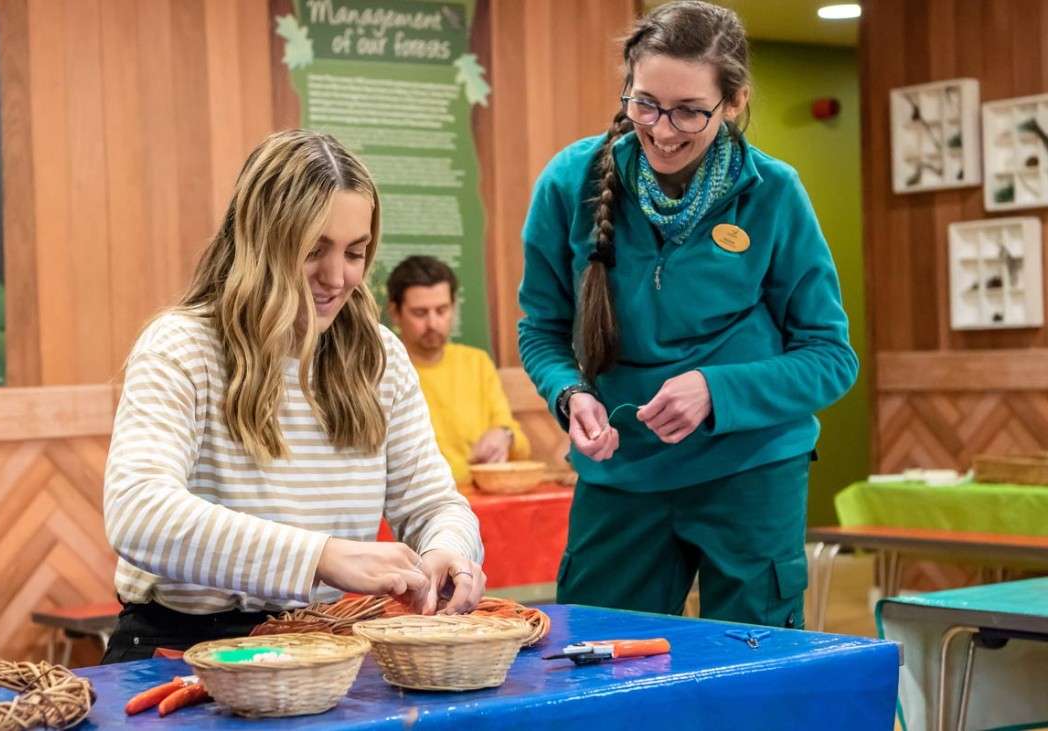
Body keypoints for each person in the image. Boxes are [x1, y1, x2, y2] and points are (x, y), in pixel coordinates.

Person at [517, 0, 857, 629]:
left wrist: (716, 390)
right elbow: (540, 329)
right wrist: (569, 395)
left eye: (689, 111)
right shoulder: (570, 182)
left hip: (751, 471)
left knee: (753, 675)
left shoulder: (773, 194)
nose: (663, 130)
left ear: (732, 102)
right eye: (644, 103)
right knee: (596, 662)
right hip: (620, 474)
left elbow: (832, 359)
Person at [101, 130, 485, 663]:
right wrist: (319, 557)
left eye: (355, 252)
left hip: (321, 647)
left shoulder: (380, 357)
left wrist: (450, 550)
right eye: (312, 250)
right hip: (182, 644)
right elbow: (139, 514)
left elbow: (434, 503)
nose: (336, 277)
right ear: (261, 242)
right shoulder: (182, 346)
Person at [386, 255, 531, 487]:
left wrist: (505, 435)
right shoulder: (383, 372)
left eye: (442, 310)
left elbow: (521, 446)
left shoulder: (476, 363)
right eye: (420, 313)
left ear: (454, 307)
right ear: (395, 312)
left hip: (481, 502)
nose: (433, 323)